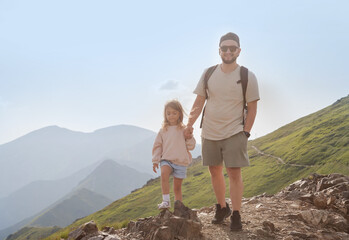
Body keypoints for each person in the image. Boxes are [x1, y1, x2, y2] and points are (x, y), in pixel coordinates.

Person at [184, 32, 260, 231]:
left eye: (232, 48)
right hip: (209, 131)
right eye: (224, 48)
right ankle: (222, 207)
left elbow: (252, 107)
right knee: (214, 171)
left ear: (239, 51)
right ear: (219, 50)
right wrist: (190, 123)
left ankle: (236, 214)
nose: (228, 51)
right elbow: (199, 101)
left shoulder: (247, 75)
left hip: (235, 131)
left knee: (234, 173)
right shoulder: (208, 73)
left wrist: (246, 132)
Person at [152, 99, 196, 209]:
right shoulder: (163, 130)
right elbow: (158, 146)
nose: (171, 116)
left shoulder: (184, 129)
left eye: (174, 113)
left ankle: (178, 207)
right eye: (168, 113)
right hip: (166, 159)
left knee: (177, 188)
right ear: (165, 115)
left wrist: (189, 137)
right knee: (164, 175)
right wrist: (155, 160)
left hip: (180, 162)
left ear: (180, 114)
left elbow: (191, 146)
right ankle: (166, 201)